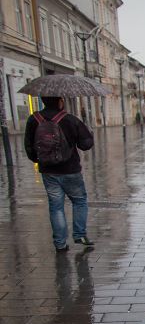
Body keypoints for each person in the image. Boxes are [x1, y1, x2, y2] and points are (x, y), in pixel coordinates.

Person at [24, 96, 95, 252]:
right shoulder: (70, 119)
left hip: (48, 171)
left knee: (56, 206)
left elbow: (29, 146)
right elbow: (86, 144)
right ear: (60, 101)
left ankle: (60, 243)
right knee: (79, 201)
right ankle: (80, 235)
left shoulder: (34, 119)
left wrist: (38, 160)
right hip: (70, 170)